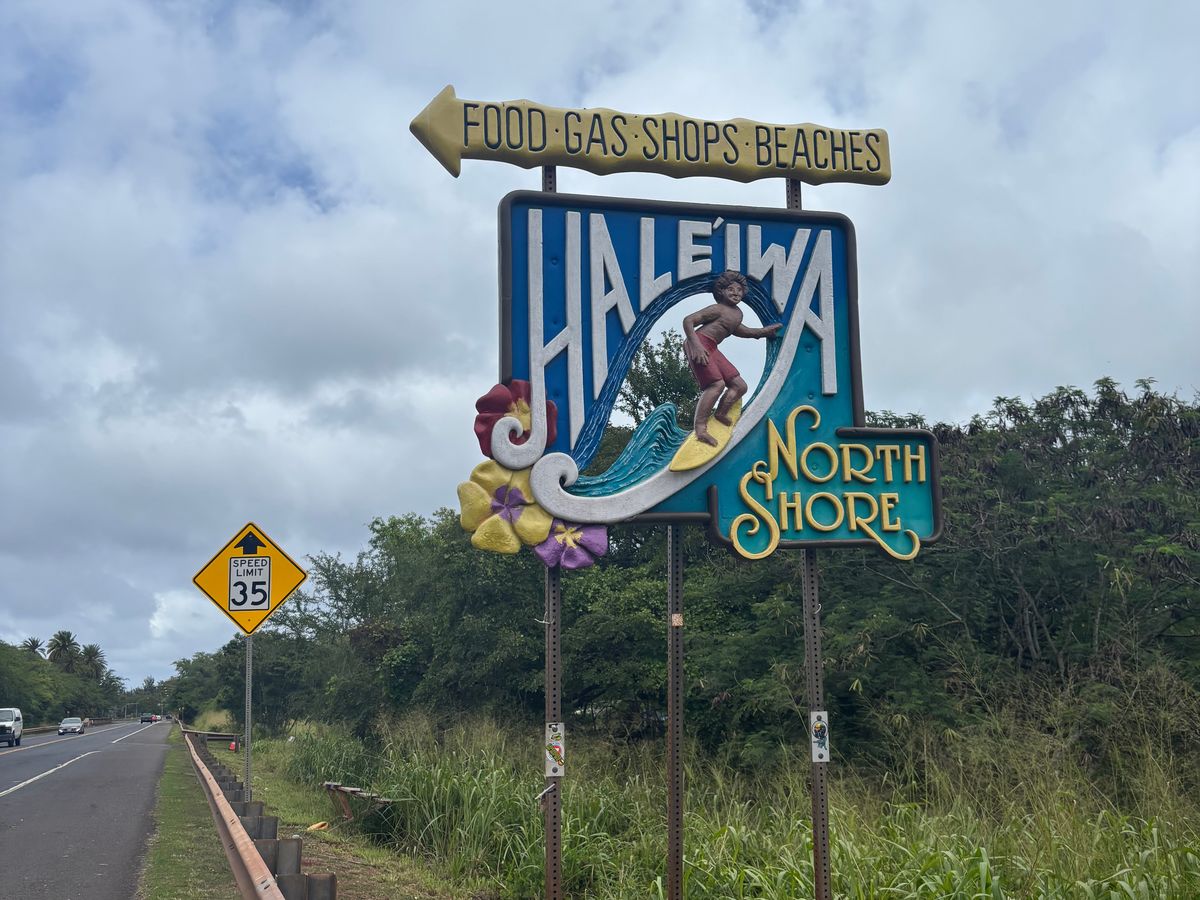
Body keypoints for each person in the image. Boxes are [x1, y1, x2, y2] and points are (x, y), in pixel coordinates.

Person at [682, 271, 781, 445]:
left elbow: (742, 331)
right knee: (717, 384)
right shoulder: (717, 309)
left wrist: (764, 332)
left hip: (712, 347)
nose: (736, 293)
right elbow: (688, 320)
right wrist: (696, 346)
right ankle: (700, 429)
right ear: (721, 291)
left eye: (739, 290)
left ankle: (721, 413)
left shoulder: (737, 314)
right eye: (731, 289)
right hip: (699, 343)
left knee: (740, 386)